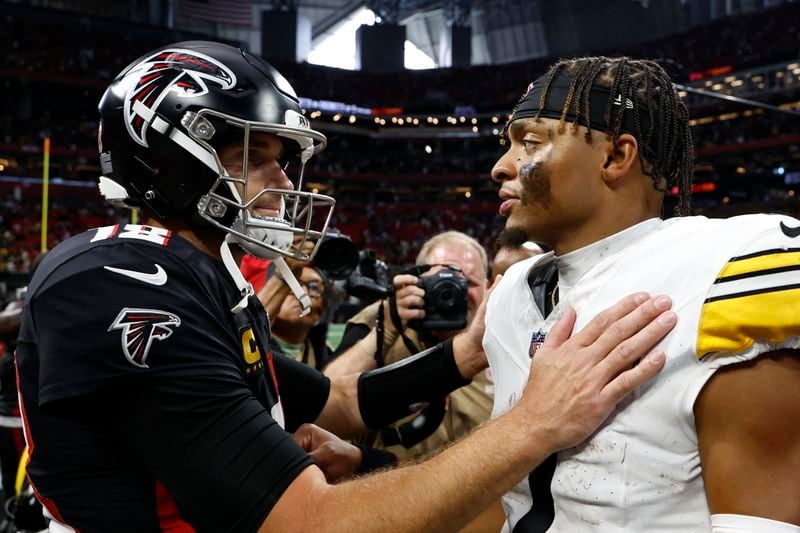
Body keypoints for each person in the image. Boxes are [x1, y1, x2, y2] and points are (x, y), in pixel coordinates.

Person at [15, 42, 675, 532]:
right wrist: (536, 421)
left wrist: (466, 352)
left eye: (282, 159)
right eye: (252, 156)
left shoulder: (203, 277)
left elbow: (336, 402)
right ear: (163, 158)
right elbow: (310, 521)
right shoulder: (120, 281)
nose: (281, 185)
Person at [487, 55, 800, 532]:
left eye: (529, 142)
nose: (500, 167)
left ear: (615, 157)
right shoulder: (512, 291)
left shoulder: (730, 265)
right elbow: (506, 499)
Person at [327, 231, 493, 460]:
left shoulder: (501, 339)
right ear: (418, 281)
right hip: (391, 486)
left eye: (470, 283)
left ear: (488, 287)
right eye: (442, 280)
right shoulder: (385, 318)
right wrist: (385, 331)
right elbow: (323, 405)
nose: (455, 292)